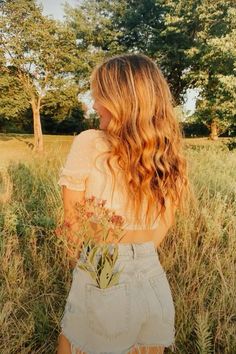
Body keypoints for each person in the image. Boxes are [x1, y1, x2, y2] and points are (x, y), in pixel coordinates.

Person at [56, 53, 190, 354]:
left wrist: (86, 265)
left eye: (99, 96)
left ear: (122, 100)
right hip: (152, 277)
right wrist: (134, 256)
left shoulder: (89, 142)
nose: (93, 105)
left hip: (102, 270)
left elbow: (71, 222)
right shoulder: (166, 154)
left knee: (74, 345)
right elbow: (162, 227)